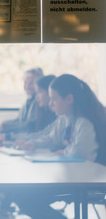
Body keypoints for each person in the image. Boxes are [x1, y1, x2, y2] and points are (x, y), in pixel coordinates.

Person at [12, 74, 106, 219]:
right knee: (20, 194)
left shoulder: (85, 123)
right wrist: (32, 144)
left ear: (69, 99)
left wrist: (64, 151)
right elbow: (50, 138)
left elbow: (78, 155)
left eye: (54, 99)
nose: (50, 104)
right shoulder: (65, 118)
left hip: (86, 183)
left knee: (25, 198)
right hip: (72, 179)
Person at [0, 67, 44, 138]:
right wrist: (3, 125)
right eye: (25, 82)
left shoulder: (39, 103)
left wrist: (3, 130)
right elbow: (19, 120)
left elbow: (27, 126)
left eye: (31, 83)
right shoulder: (28, 102)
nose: (27, 86)